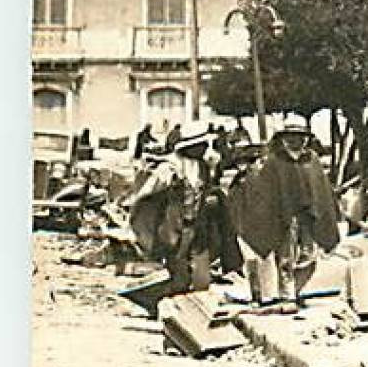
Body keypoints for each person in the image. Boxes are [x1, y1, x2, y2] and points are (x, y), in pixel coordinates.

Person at [230, 114, 341, 303]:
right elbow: (264, 191)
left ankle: (297, 287)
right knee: (285, 256)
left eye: (299, 135)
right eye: (291, 135)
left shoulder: (311, 159)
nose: (295, 139)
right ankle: (287, 293)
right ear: (283, 137)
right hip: (284, 216)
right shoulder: (275, 161)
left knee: (309, 254)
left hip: (309, 215)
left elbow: (321, 188)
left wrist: (325, 209)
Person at [126, 120, 239, 295]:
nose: (204, 148)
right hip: (175, 228)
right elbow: (147, 194)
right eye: (201, 145)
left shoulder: (202, 166)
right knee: (179, 276)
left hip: (198, 227)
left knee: (202, 279)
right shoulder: (169, 167)